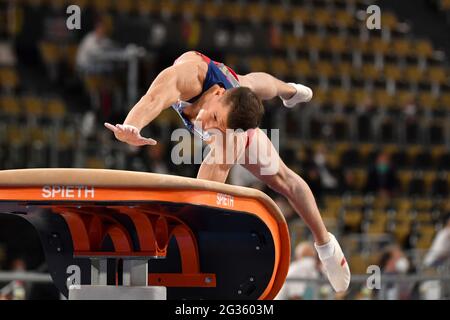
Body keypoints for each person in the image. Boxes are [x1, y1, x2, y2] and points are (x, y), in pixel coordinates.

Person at [105, 51, 351, 292]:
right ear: (218, 93)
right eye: (213, 117)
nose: (209, 126)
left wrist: (195, 226)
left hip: (237, 106)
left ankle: (326, 244)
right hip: (222, 82)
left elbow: (209, 187)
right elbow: (153, 99)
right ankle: (289, 89)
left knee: (283, 179)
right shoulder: (190, 76)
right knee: (249, 83)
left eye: (218, 127)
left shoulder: (231, 135)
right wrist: (131, 125)